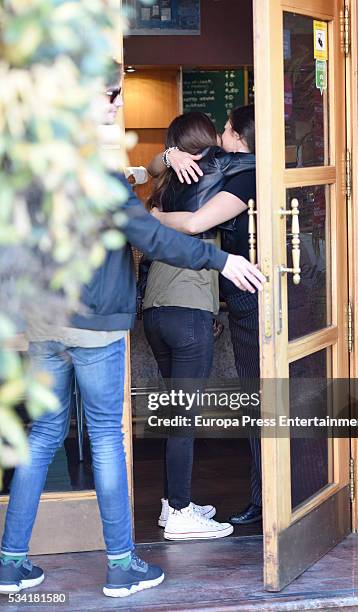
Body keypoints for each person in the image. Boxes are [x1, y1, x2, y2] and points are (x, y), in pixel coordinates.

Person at [0, 80, 266, 598]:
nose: (118, 103)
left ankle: (10, 563)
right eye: (109, 94)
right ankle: (122, 565)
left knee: (42, 437)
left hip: (43, 323)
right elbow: (150, 236)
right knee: (105, 439)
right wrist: (223, 259)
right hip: (92, 324)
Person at [142, 111, 256, 541]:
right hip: (188, 308)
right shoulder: (217, 172)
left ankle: (173, 505)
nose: (222, 136)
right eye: (218, 131)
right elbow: (194, 225)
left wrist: (167, 159)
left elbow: (151, 169)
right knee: (183, 416)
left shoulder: (170, 179)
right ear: (208, 142)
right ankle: (179, 511)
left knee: (175, 411)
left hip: (156, 308)